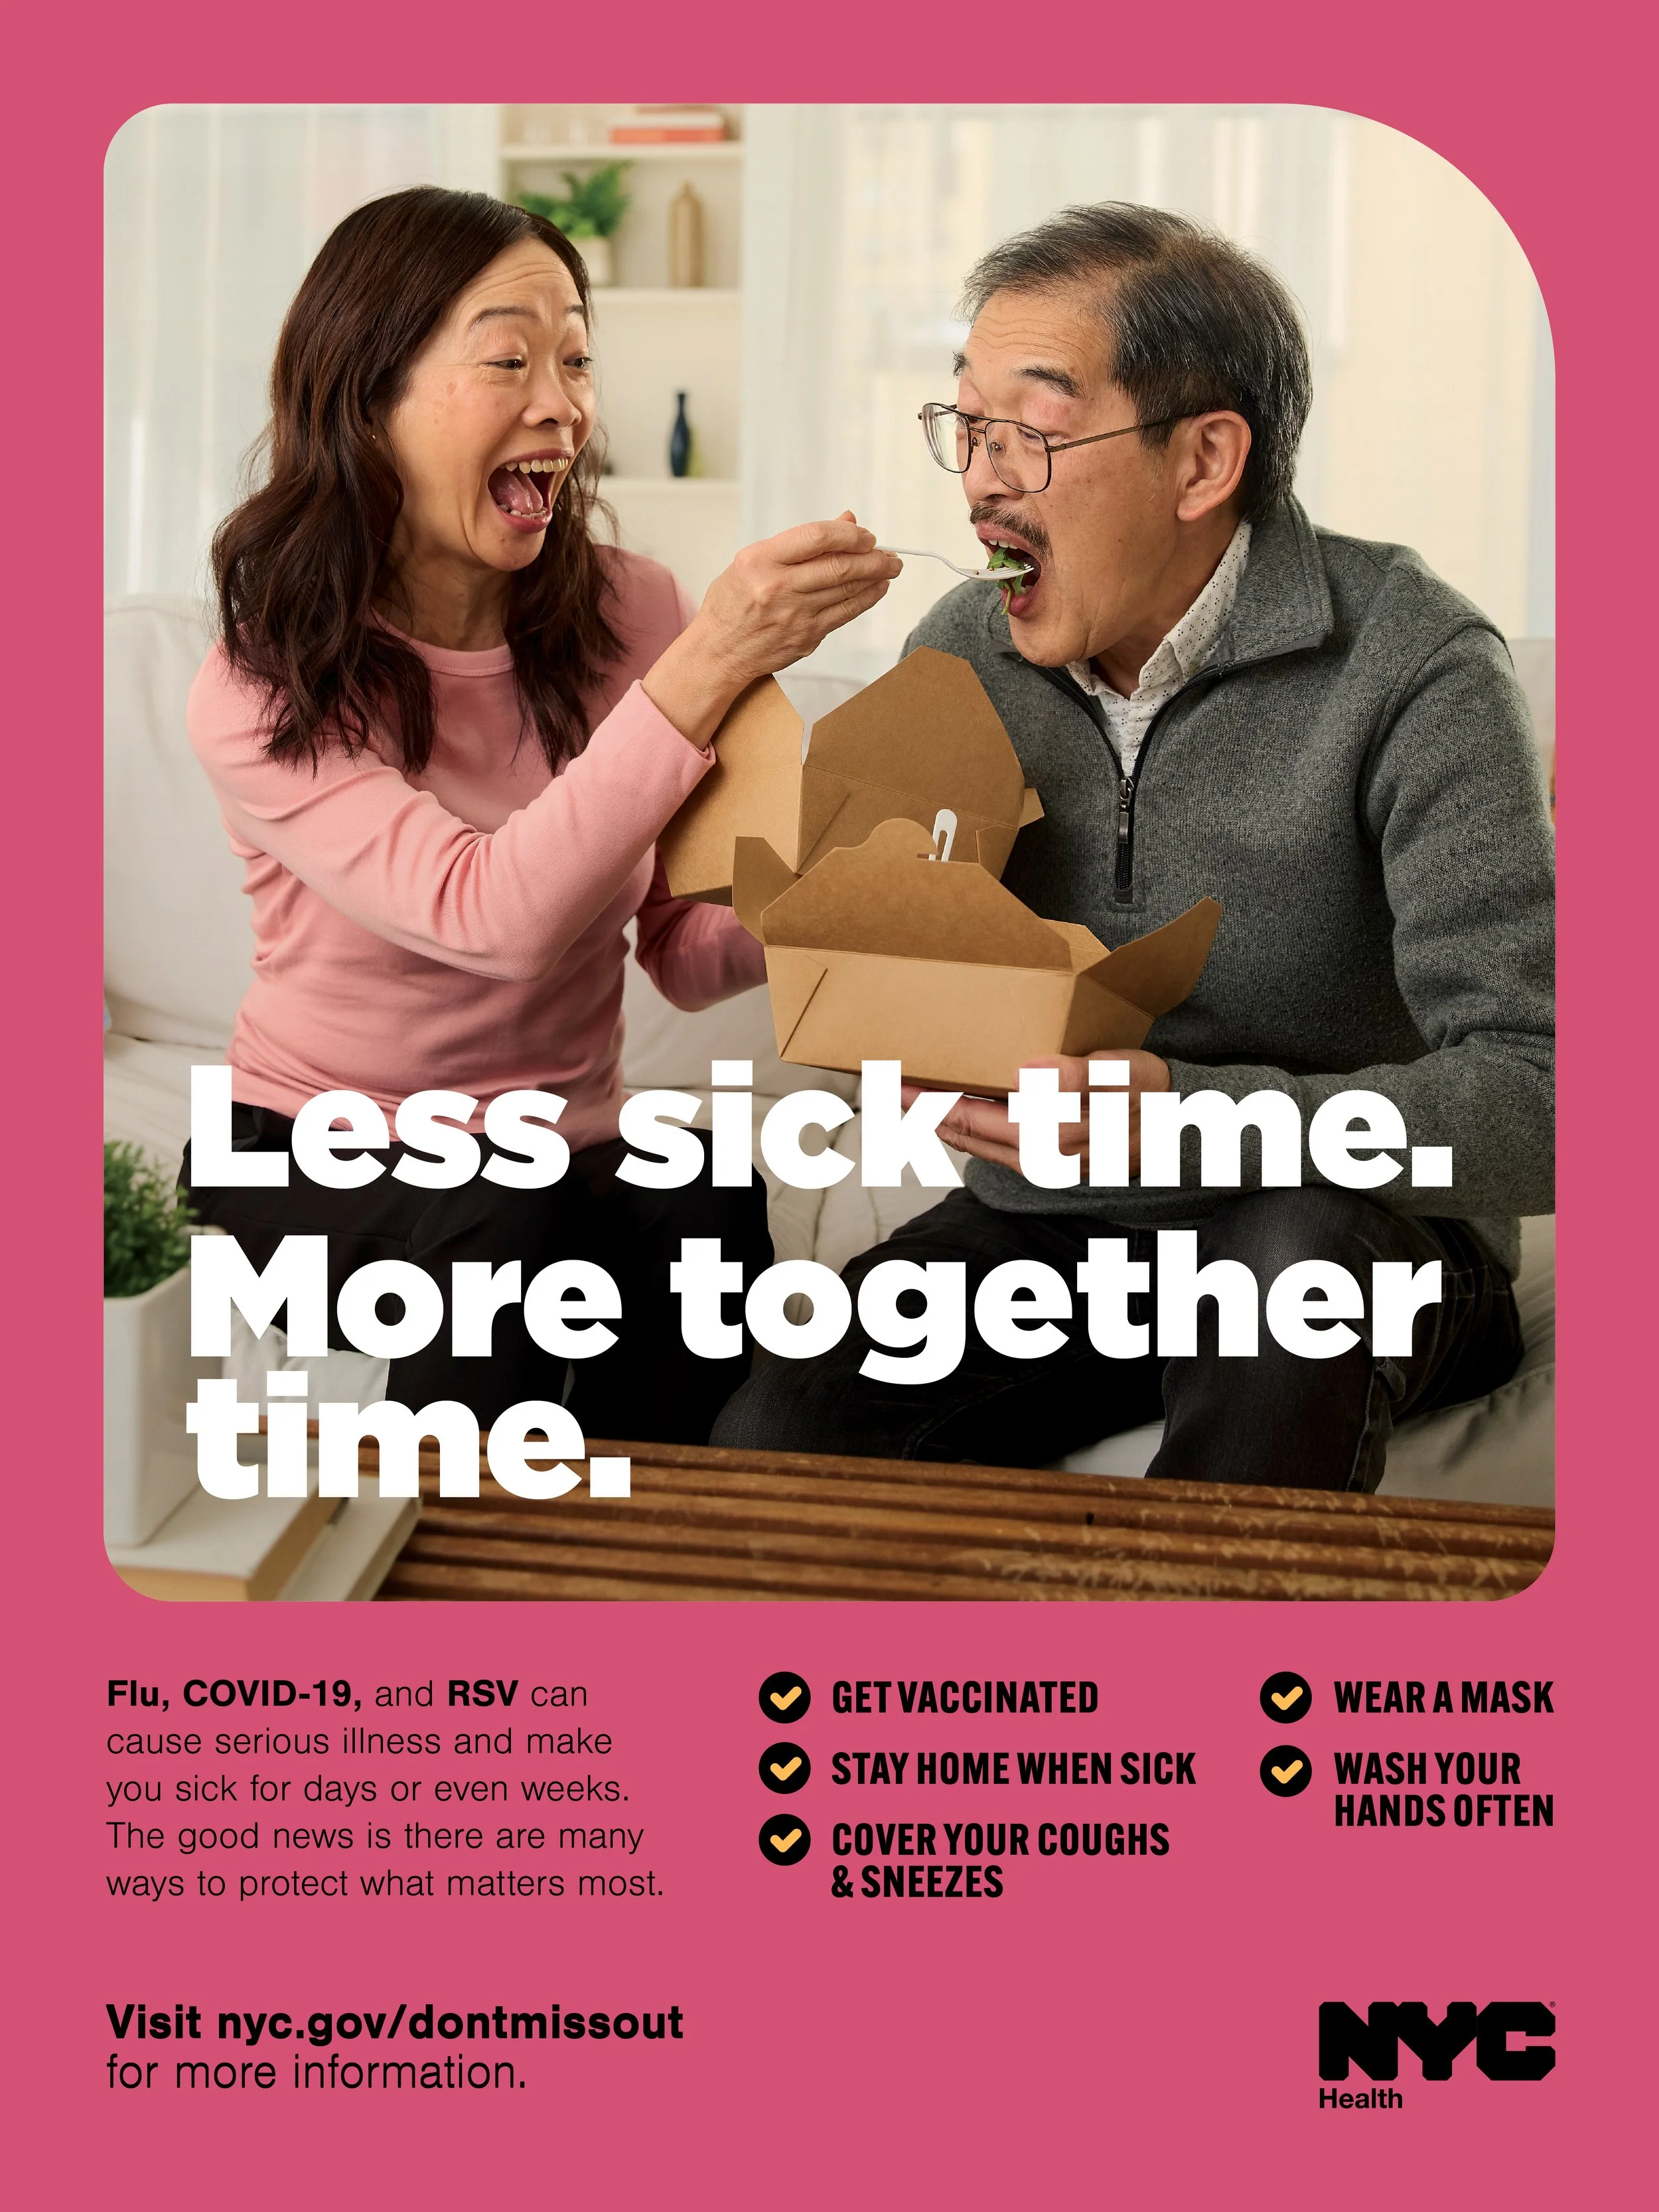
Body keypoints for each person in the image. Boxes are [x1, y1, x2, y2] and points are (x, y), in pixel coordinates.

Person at [714, 202, 1553, 1491]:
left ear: (1203, 460)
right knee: (783, 1423)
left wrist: (1181, 1115)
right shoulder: (961, 647)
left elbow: (1539, 1100)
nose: (981, 477)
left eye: (1032, 432)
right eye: (966, 426)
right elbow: (907, 972)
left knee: (1286, 1277)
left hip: (1348, 1236)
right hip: (1060, 1234)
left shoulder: (1412, 663)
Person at [182, 186, 899, 1442]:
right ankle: (465, 1599)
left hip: (557, 1144)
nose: (563, 403)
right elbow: (489, 914)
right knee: (503, 1220)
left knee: (708, 1201)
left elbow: (679, 946)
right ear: (367, 396)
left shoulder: (634, 613)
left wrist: (856, 886)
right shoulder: (265, 675)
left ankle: (655, 1568)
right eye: (508, 357)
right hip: (309, 1146)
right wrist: (707, 667)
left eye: (576, 358)